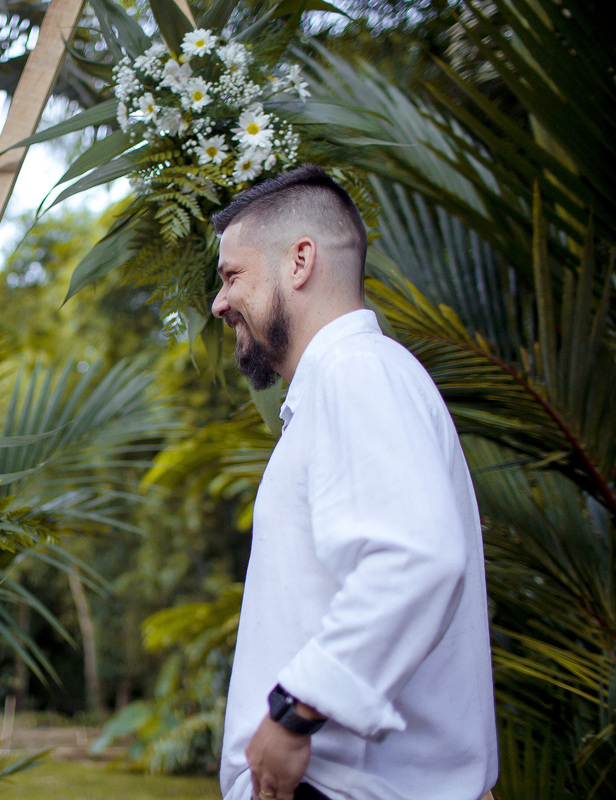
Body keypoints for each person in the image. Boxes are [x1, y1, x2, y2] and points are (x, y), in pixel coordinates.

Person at [210, 165, 498, 800]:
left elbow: (415, 555)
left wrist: (296, 711)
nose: (219, 301)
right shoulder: (343, 384)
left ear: (300, 262)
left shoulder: (358, 372)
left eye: (232, 276)